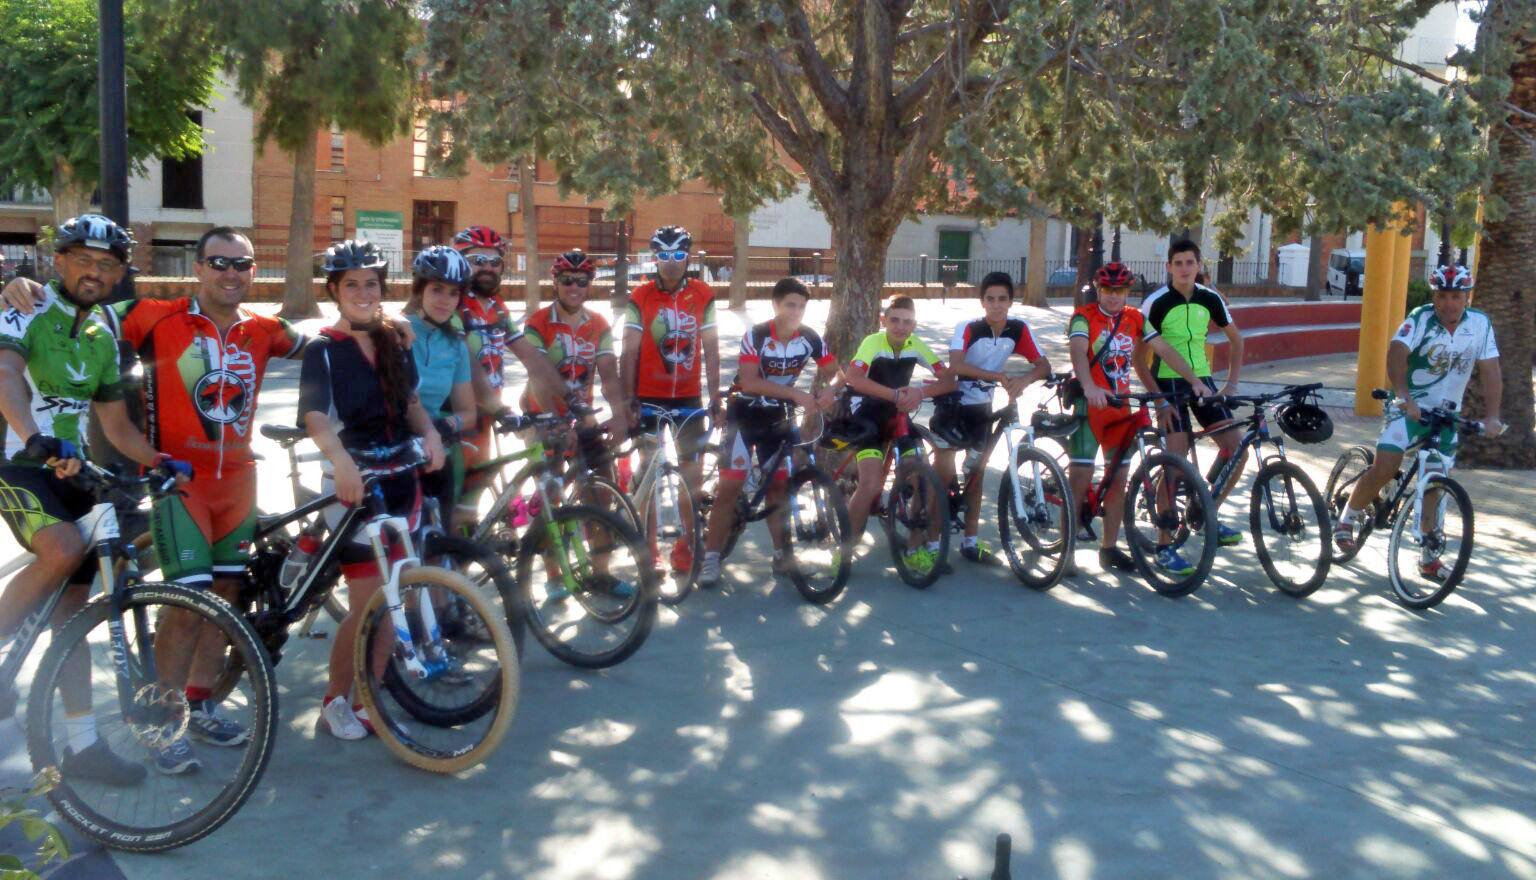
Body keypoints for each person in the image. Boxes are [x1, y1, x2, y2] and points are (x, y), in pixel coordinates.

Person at [0, 215, 190, 784]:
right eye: (84, 259)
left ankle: (82, 746)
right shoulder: (24, 306)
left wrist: (158, 461)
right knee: (58, 549)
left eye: (108, 265)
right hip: (17, 460)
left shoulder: (105, 330)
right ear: (59, 260)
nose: (95, 272)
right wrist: (32, 434)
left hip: (73, 469)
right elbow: (6, 373)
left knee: (73, 620)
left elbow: (116, 422)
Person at [298, 240, 446, 741]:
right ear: (335, 292)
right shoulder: (322, 350)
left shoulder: (394, 343)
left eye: (371, 283)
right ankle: (334, 698)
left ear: (382, 289)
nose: (363, 292)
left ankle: (369, 696)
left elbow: (410, 406)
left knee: (396, 598)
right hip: (354, 487)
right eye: (351, 284)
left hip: (401, 482)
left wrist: (429, 434)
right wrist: (339, 462)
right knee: (365, 605)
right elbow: (316, 417)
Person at [1333, 265, 1502, 579]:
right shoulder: (1421, 318)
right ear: (1434, 296)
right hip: (1409, 408)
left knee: (1435, 484)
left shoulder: (1480, 324)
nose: (1448, 303)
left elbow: (1491, 371)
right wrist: (1403, 396)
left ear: (1467, 297)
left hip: (1446, 415)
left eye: (1455, 296)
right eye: (1442, 296)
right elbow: (1397, 351)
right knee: (1386, 465)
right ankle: (1348, 516)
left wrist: (1492, 416)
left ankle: (1427, 557)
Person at [1066, 262, 1207, 575]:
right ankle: (1067, 550)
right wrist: (1089, 386)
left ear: (1127, 292)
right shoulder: (1083, 317)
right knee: (1081, 477)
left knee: (1118, 481)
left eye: (1119, 291)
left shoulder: (1135, 318)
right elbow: (1078, 351)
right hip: (1090, 406)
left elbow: (1163, 349)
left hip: (1120, 408)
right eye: (1107, 290)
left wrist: (1193, 378)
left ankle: (1109, 548)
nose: (1114, 297)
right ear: (1098, 291)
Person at [697, 278, 838, 587]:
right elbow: (749, 382)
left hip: (778, 417)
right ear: (775, 305)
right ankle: (710, 558)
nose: (796, 311)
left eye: (801, 306)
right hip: (744, 414)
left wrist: (829, 393)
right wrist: (797, 395)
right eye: (790, 304)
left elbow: (836, 372)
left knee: (778, 487)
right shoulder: (757, 335)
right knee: (730, 488)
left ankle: (781, 556)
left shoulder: (810, 337)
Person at [447, 225, 568, 529]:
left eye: (494, 260)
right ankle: (442, 571)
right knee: (458, 508)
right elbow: (466, 363)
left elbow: (531, 357)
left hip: (487, 417)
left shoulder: (497, 307)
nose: (487, 267)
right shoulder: (453, 305)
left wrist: (569, 398)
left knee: (472, 504)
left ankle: (461, 567)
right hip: (456, 419)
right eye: (477, 259)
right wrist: (500, 409)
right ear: (460, 263)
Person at [619, 226, 721, 574]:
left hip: (689, 400)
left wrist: (716, 395)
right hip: (648, 398)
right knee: (648, 474)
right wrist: (628, 399)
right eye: (664, 255)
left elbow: (711, 349)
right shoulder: (640, 296)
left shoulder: (703, 295)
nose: (671, 263)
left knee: (690, 479)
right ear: (654, 257)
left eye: (678, 255)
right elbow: (628, 351)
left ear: (688, 257)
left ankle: (685, 548)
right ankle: (649, 552)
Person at [930, 271, 1050, 565]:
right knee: (942, 474)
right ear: (982, 302)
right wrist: (997, 375)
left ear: (1011, 301)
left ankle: (970, 542)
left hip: (983, 408)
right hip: (953, 405)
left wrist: (1025, 379)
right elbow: (956, 365)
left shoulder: (1018, 330)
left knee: (977, 473)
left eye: (1003, 299)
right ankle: (931, 545)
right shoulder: (968, 327)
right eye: (991, 299)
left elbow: (1043, 364)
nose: (997, 305)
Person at [1140, 239, 1246, 551]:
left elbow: (1237, 341)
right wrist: (1158, 399)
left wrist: (1232, 385)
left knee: (1236, 447)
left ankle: (1204, 511)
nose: (1185, 269)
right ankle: (1164, 543)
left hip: (1202, 381)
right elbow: (1139, 360)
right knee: (1174, 461)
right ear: (1168, 267)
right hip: (1168, 384)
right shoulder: (1156, 302)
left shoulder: (1210, 298)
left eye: (1190, 263)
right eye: (1178, 263)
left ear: (1199, 266)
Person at [840, 295, 956, 576]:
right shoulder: (872, 342)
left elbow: (949, 379)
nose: (901, 327)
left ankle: (914, 548)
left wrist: (920, 393)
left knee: (922, 479)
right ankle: (845, 550)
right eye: (895, 320)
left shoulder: (916, 345)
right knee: (868, 485)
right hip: (867, 415)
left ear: (914, 325)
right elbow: (853, 379)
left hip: (898, 416)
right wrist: (895, 394)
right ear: (884, 320)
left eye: (907, 322)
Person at [404, 246, 478, 520]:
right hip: (396, 455)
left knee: (439, 549)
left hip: (437, 456)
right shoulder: (395, 332)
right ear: (419, 289)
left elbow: (468, 413)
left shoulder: (456, 345)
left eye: (453, 292)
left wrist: (448, 424)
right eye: (437, 289)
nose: (445, 300)